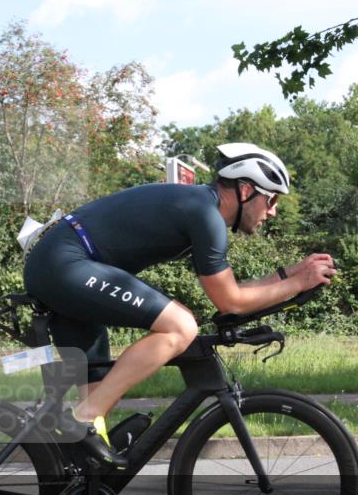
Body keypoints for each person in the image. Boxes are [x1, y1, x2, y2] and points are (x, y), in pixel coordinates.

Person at [22, 142, 337, 467]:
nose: (272, 211)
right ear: (245, 190)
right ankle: (82, 419)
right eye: (271, 199)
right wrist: (297, 283)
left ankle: (75, 489)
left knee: (99, 392)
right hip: (64, 264)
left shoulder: (201, 206)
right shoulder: (205, 214)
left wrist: (288, 275)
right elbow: (230, 301)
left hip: (64, 264)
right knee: (181, 326)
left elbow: (231, 294)